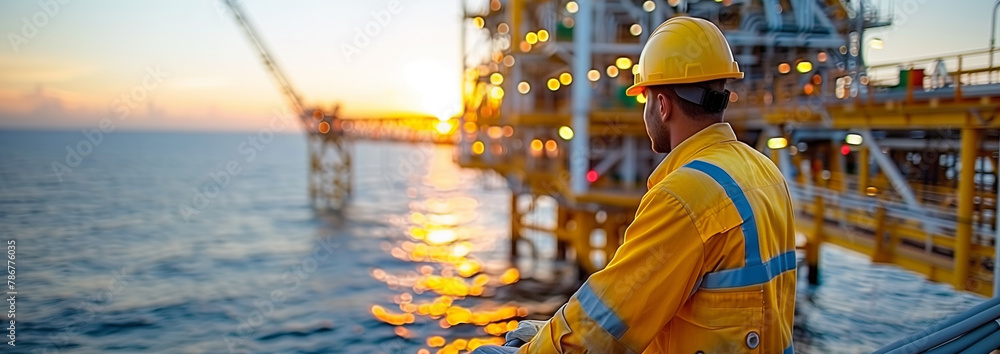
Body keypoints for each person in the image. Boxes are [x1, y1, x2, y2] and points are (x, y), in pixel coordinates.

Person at [474, 16, 796, 353]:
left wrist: (534, 348)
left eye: (644, 99)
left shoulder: (685, 196)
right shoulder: (767, 172)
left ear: (661, 105)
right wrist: (545, 332)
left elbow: (606, 321)